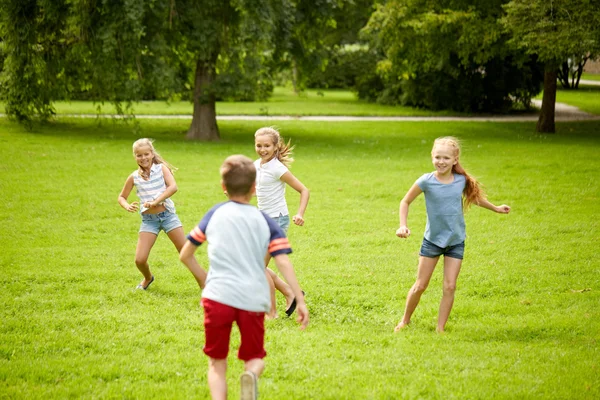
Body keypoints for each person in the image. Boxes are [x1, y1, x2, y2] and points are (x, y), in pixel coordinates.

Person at [179, 154, 308, 400]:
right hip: (252, 299)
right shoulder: (266, 221)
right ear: (254, 188)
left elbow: (186, 255)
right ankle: (250, 376)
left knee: (217, 363)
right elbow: (283, 261)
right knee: (254, 358)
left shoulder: (214, 214)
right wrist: (299, 299)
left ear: (223, 187)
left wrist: (206, 280)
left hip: (217, 298)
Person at [394, 136, 510, 333]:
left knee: (449, 286)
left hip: (455, 241)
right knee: (421, 285)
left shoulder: (461, 181)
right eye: (438, 157)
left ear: (455, 160)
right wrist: (402, 226)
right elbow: (405, 202)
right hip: (432, 241)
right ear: (432, 157)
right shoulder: (426, 181)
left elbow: (475, 199)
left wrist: (496, 208)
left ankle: (440, 329)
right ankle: (405, 320)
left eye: (446, 158)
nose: (441, 161)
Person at [254, 127, 310, 319]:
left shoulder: (278, 168)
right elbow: (259, 190)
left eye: (267, 146)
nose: (262, 149)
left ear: (275, 146)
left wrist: (300, 213)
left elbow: (304, 190)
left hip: (277, 220)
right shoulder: (257, 165)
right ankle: (290, 293)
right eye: (259, 145)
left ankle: (272, 311)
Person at [117, 138, 186, 290]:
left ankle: (208, 284)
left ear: (152, 154)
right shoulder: (134, 176)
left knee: (186, 253)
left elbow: (173, 187)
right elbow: (121, 197)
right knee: (139, 260)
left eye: (146, 154)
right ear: (135, 156)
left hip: (167, 216)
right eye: (139, 155)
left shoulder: (161, 168)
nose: (143, 158)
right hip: (149, 221)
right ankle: (148, 278)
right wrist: (127, 205)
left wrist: (156, 201)